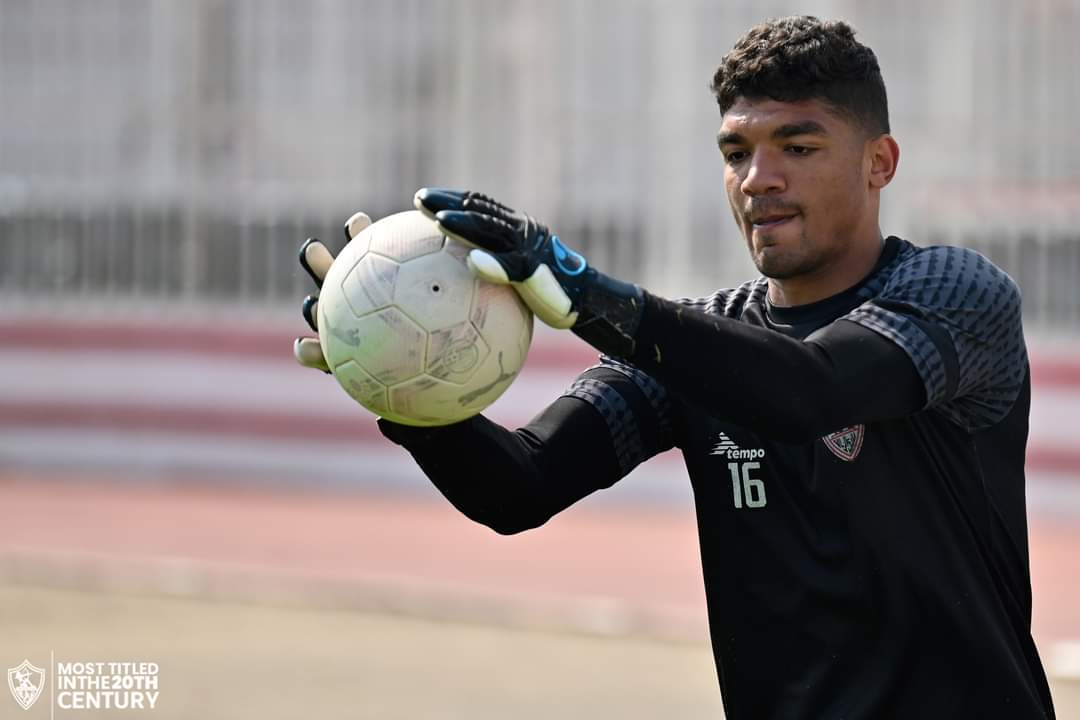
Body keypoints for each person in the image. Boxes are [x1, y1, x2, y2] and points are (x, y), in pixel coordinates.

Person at [294, 15, 1055, 719]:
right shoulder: (695, 345)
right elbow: (521, 484)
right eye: (736, 153)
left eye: (798, 147)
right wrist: (400, 381)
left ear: (878, 163)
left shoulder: (956, 292)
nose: (758, 179)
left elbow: (809, 389)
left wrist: (588, 293)